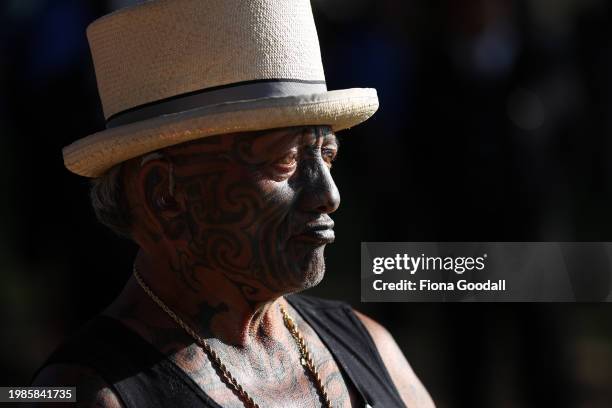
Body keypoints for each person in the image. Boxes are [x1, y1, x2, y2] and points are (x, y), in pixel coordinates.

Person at [32, 0, 434, 407]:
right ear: (164, 194)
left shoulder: (370, 346)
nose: (328, 195)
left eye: (326, 155)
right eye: (286, 161)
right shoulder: (75, 392)